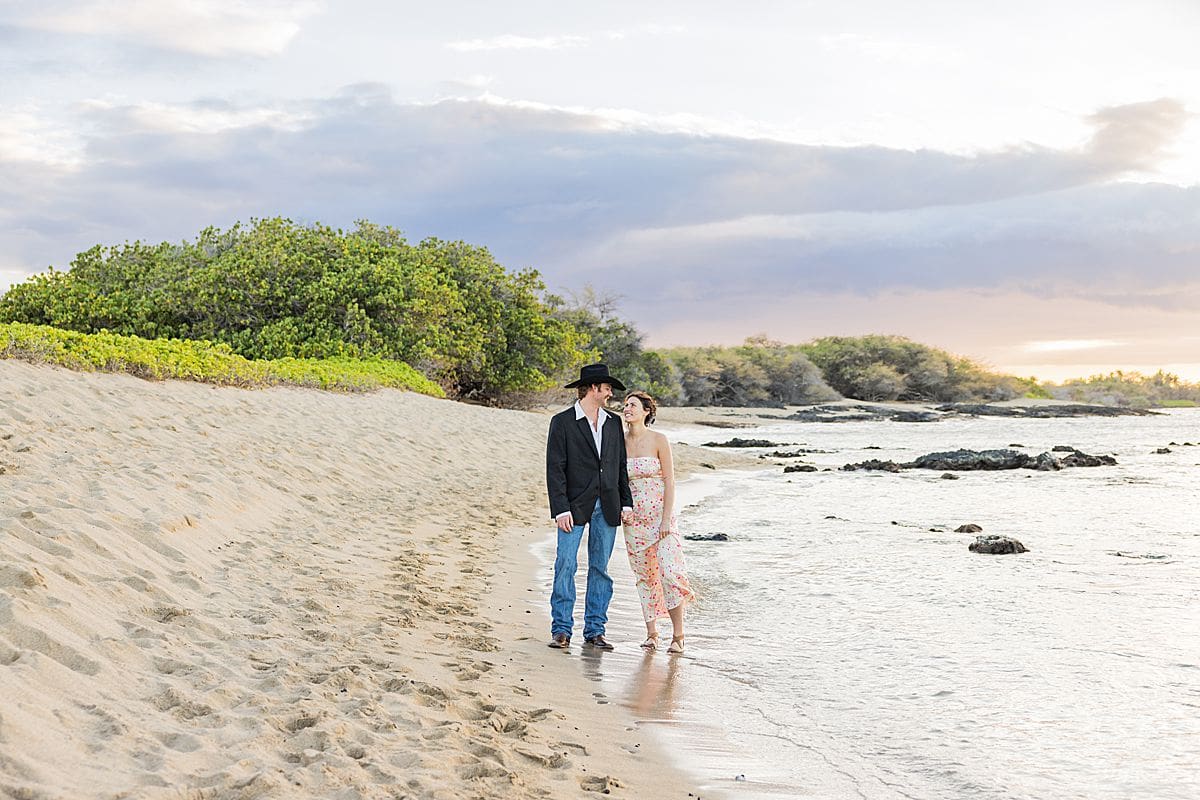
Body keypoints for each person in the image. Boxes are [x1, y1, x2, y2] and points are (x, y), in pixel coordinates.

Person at [545, 363, 633, 650]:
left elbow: (619, 466)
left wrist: (626, 502)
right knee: (566, 564)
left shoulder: (613, 422)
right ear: (593, 388)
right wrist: (560, 508)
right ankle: (561, 630)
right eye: (607, 388)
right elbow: (555, 469)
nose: (610, 394)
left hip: (607, 505)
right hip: (573, 506)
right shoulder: (562, 422)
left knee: (601, 569)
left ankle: (595, 630)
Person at [621, 390, 695, 654]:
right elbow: (617, 481)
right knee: (644, 576)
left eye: (632, 405)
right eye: (625, 404)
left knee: (669, 573)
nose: (627, 408)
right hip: (634, 520)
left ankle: (678, 635)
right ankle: (652, 633)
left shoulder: (659, 440)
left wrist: (666, 519)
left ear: (646, 411)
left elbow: (670, 481)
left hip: (661, 519)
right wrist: (623, 507)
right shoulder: (619, 442)